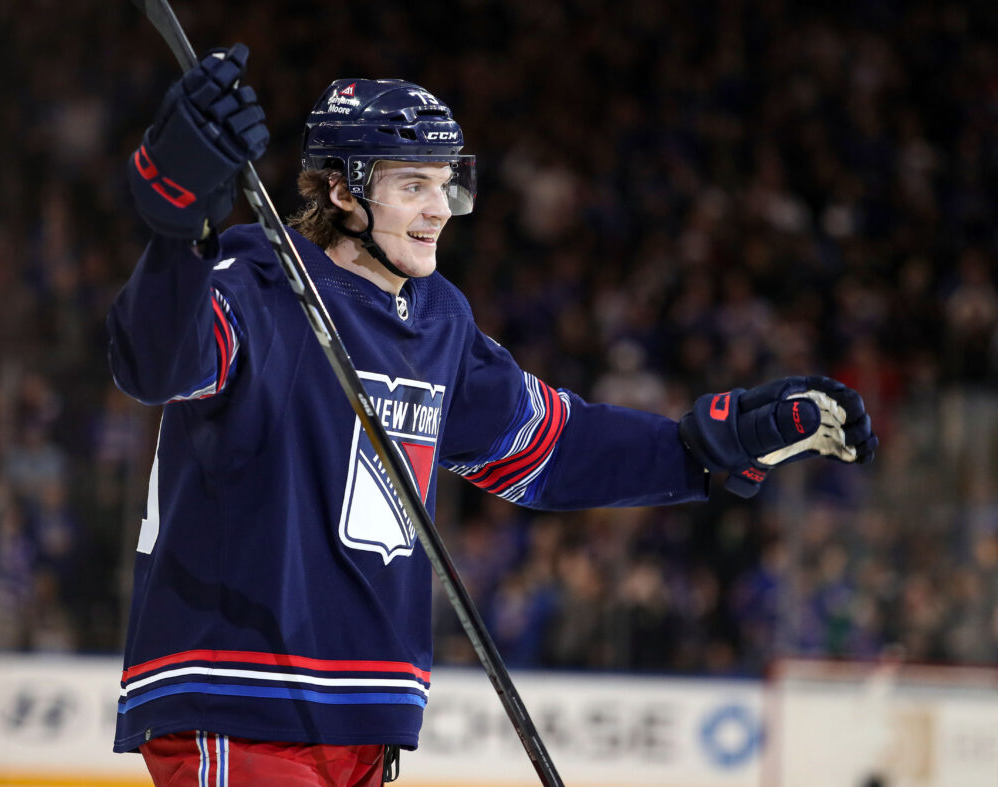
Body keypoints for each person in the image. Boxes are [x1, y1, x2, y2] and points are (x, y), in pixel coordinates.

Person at [107, 45, 878, 787]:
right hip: (241, 691)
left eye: (446, 183)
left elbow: (552, 451)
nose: (440, 208)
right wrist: (177, 229)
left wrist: (711, 446)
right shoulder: (256, 281)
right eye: (413, 184)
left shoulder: (437, 321)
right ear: (342, 191)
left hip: (359, 719)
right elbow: (155, 363)